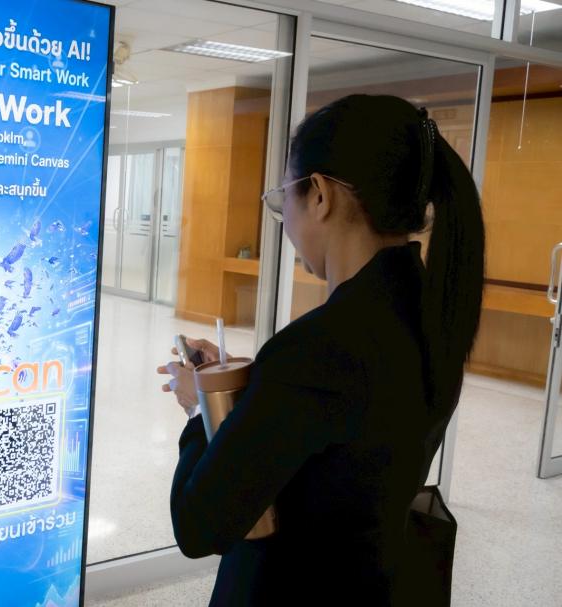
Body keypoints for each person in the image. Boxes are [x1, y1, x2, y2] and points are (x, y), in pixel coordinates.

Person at [157, 95, 484, 605]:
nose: (285, 221)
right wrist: (251, 391)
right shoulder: (429, 316)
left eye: (282, 198)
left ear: (320, 195)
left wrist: (201, 406)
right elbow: (335, 440)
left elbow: (199, 526)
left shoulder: (317, 350)